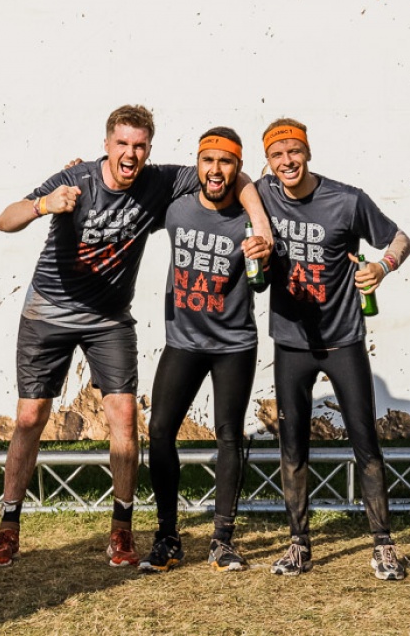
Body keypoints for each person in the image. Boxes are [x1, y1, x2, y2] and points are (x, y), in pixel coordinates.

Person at [0, 105, 269, 569]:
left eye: (139, 146)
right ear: (106, 145)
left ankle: (122, 530)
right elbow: (5, 219)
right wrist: (43, 206)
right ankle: (8, 529)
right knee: (31, 417)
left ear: (148, 149)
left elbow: (236, 176)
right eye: (122, 144)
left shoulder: (160, 181)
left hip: (109, 319)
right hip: (48, 311)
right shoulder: (75, 179)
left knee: (124, 415)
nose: (130, 154)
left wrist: (262, 227)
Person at [255, 117, 410, 581]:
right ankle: (299, 545)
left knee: (365, 441)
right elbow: (226, 183)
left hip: (343, 339)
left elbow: (400, 238)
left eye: (294, 151)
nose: (287, 161)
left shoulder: (346, 199)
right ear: (268, 161)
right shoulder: (262, 194)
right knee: (292, 446)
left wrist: (383, 267)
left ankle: (383, 545)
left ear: (307, 152)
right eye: (277, 155)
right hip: (291, 342)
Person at [139, 128, 271, 574]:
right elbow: (127, 203)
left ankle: (222, 540)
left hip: (234, 344)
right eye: (208, 160)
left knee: (229, 435)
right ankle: (167, 536)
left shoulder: (251, 216)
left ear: (238, 168)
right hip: (183, 341)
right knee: (160, 429)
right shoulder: (176, 208)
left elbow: (263, 281)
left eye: (226, 161)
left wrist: (264, 255)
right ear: (197, 163)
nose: (215, 170)